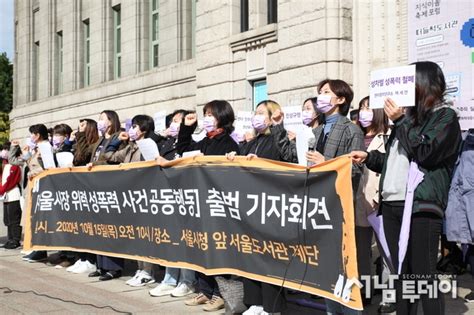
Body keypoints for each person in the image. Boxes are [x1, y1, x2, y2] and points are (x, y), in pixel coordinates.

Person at [351, 61, 462, 315]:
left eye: (409, 82)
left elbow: (425, 153)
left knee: (424, 275)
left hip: (420, 205)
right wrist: (369, 158)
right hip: (391, 205)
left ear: (425, 85)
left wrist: (401, 121)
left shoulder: (445, 117)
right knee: (402, 273)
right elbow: (396, 162)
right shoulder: (407, 120)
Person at [304, 79, 364, 315]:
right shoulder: (317, 131)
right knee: (326, 265)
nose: (321, 96)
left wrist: (326, 164)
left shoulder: (351, 129)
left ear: (341, 99)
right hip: (320, 205)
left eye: (326, 92)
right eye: (320, 92)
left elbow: (356, 170)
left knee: (344, 264)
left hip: (339, 207)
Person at [227, 100, 288, 315]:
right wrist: (235, 157)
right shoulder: (253, 141)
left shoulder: (279, 139)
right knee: (250, 254)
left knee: (269, 257)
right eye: (256, 112)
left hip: (269, 205)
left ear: (273, 116)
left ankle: (272, 306)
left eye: (262, 113)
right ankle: (255, 302)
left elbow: (287, 161)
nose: (257, 116)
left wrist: (260, 163)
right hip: (250, 206)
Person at [179, 100, 239, 312]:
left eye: (210, 115)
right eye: (205, 114)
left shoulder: (229, 144)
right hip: (200, 203)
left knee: (217, 249)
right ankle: (204, 291)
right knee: (201, 248)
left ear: (222, 117)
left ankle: (219, 293)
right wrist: (186, 127)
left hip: (217, 205)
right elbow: (183, 150)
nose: (206, 119)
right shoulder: (204, 140)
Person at [354, 96, 391, 309]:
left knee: (387, 253)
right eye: (361, 108)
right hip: (358, 201)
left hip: (379, 202)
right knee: (361, 252)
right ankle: (364, 291)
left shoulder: (388, 135)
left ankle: (389, 296)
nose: (363, 112)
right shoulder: (355, 134)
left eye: (368, 108)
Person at [87, 110, 126, 281]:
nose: (100, 121)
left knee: (110, 228)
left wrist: (94, 164)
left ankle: (114, 267)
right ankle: (101, 265)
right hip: (97, 185)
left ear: (111, 121)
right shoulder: (100, 140)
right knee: (98, 228)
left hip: (111, 186)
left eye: (102, 118)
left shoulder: (120, 136)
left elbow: (115, 159)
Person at [10, 124, 52, 262]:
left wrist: (33, 172)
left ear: (38, 135)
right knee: (33, 219)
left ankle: (40, 250)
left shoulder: (45, 147)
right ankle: (36, 248)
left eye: (32, 134)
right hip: (32, 189)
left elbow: (49, 168)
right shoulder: (36, 149)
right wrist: (16, 148)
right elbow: (15, 161)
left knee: (39, 219)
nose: (31, 137)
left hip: (41, 189)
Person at [66, 119, 100, 274]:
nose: (80, 127)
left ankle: (90, 260)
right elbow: (77, 158)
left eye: (84, 125)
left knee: (89, 226)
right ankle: (82, 257)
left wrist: (80, 136)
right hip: (78, 189)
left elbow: (83, 157)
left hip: (89, 190)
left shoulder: (94, 143)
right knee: (80, 226)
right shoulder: (80, 141)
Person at [271, 97, 324, 163]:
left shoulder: (324, 132)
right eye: (303, 109)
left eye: (308, 109)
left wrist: (301, 139)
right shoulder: (301, 133)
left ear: (318, 112)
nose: (304, 112)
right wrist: (278, 126)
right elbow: (289, 156)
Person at [0, 142, 23, 249]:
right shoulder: (5, 164)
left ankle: (15, 240)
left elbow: (11, 181)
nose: (4, 152)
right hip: (6, 195)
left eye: (7, 149)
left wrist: (1, 189)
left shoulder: (16, 165)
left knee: (14, 219)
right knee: (7, 219)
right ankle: (10, 239)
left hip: (14, 194)